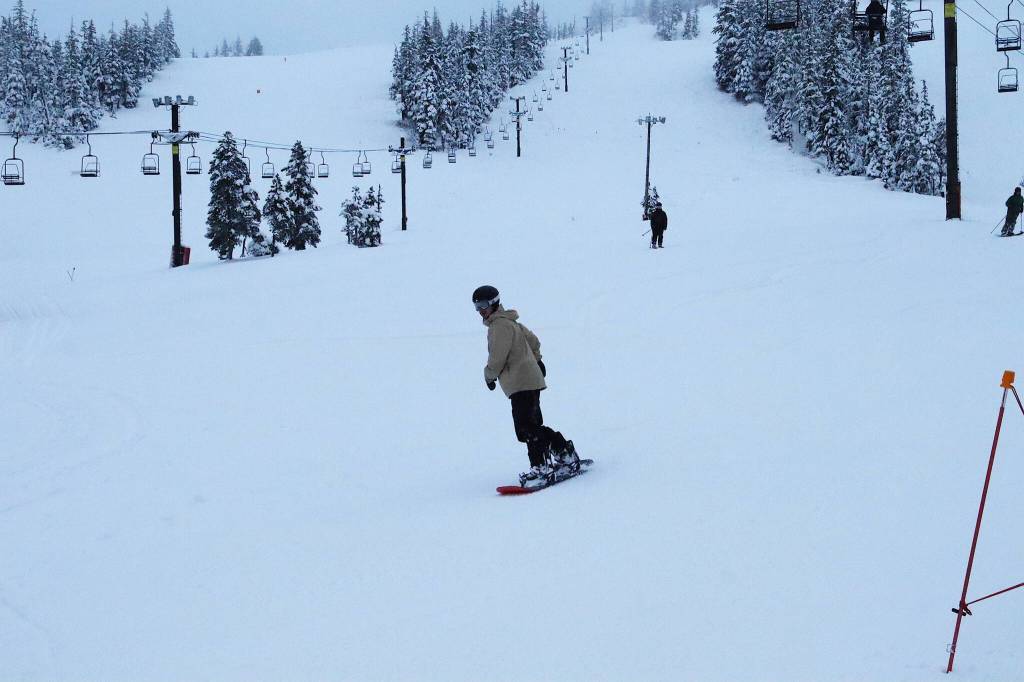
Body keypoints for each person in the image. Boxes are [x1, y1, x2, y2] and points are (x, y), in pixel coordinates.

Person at [472, 285, 578, 488]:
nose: (480, 310)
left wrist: (489, 376)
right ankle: (564, 453)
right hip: (528, 380)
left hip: (520, 382)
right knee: (531, 426)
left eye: (483, 305)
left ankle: (541, 467)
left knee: (526, 429)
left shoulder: (499, 326)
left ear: (494, 303)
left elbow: (497, 357)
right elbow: (534, 342)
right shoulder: (511, 322)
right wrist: (537, 362)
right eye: (476, 306)